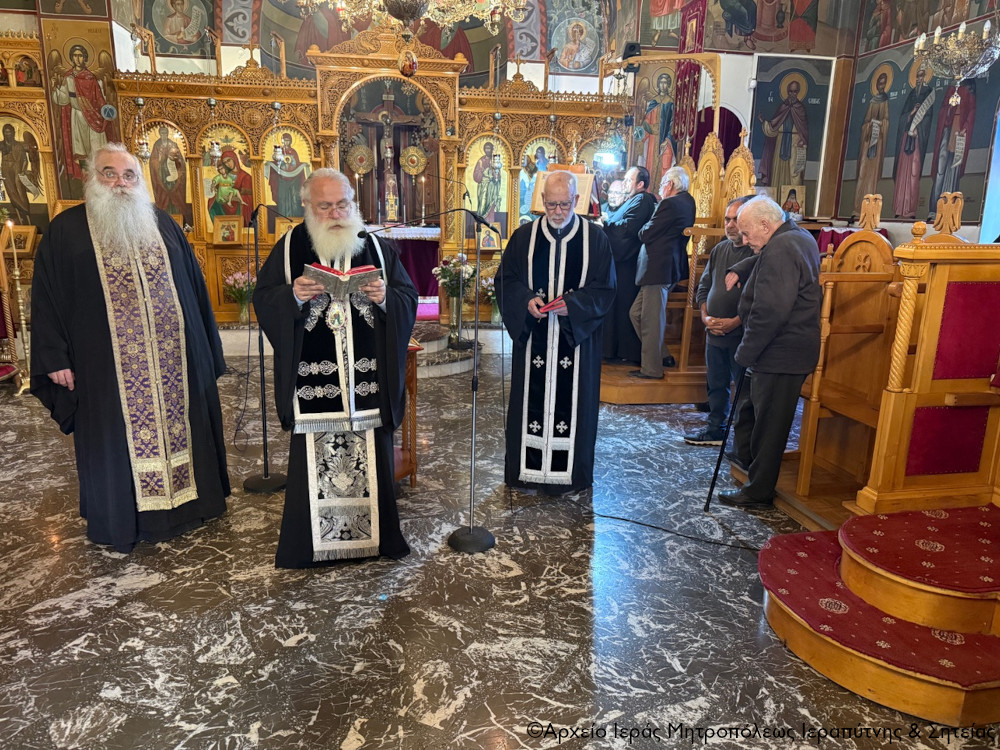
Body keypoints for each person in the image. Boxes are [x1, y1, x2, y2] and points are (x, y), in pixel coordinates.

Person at [29, 143, 230, 553]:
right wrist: (53, 356)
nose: (120, 183)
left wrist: (206, 347)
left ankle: (192, 506)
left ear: (140, 181)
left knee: (186, 427)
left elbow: (194, 289)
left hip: (176, 361)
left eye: (128, 175)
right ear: (91, 177)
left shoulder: (162, 223)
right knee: (114, 439)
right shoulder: (66, 231)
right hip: (104, 367)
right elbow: (46, 299)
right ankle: (126, 517)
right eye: (109, 173)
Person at [253, 168, 417, 567]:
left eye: (342, 204)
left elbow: (407, 297)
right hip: (314, 385)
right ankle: (311, 545)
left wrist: (385, 298)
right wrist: (293, 296)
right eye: (325, 206)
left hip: (367, 383)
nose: (336, 213)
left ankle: (377, 541)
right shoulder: (290, 247)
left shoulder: (374, 247)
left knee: (371, 456)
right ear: (307, 206)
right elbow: (264, 299)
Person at [496, 170, 616, 494]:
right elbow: (506, 280)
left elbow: (605, 289)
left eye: (565, 204)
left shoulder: (596, 240)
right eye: (551, 205)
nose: (558, 211)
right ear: (542, 201)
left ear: (576, 200)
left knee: (574, 407)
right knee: (528, 404)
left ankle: (572, 475)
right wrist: (526, 300)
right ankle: (526, 473)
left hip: (575, 347)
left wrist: (573, 306)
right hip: (534, 344)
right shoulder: (524, 238)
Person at [718, 196, 820, 508]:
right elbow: (765, 257)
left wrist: (745, 352)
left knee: (770, 427)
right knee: (757, 414)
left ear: (765, 224)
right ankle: (748, 465)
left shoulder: (782, 247)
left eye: (747, 233)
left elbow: (770, 311)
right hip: (782, 350)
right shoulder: (796, 236)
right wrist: (742, 267)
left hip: (779, 352)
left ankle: (758, 491)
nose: (744, 240)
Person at [683, 196, 754, 446]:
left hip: (740, 333)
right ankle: (715, 429)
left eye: (736, 220)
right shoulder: (719, 250)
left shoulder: (756, 253)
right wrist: (706, 317)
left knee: (744, 390)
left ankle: (743, 441)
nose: (730, 225)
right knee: (716, 383)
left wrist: (736, 321)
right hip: (713, 331)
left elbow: (758, 298)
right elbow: (704, 288)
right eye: (727, 219)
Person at [630, 166, 695, 379]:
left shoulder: (669, 203)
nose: (660, 187)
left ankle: (651, 369)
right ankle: (664, 355)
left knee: (651, 320)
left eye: (662, 183)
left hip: (658, 268)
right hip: (666, 267)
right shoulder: (688, 201)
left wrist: (644, 226)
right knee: (636, 314)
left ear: (670, 184)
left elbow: (645, 233)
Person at [603, 166, 656, 365]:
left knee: (624, 306)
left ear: (640, 184)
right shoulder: (633, 200)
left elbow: (628, 228)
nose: (625, 183)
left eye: (628, 180)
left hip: (628, 263)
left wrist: (606, 224)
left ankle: (626, 351)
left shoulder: (642, 200)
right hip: (620, 263)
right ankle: (613, 349)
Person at [51, 45, 111, 185]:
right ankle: (85, 182)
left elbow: (99, 98)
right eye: (75, 56)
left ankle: (99, 181)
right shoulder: (69, 77)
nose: (78, 59)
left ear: (85, 58)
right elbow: (64, 99)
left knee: (95, 150)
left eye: (81, 55)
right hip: (77, 116)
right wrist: (54, 88)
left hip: (93, 117)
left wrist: (104, 113)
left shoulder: (91, 78)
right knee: (81, 151)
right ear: (71, 58)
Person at [892, 63, 935, 219]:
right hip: (906, 138)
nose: (919, 78)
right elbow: (902, 117)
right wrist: (911, 113)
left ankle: (910, 210)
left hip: (916, 139)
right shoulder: (911, 94)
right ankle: (899, 208)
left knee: (914, 172)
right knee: (902, 172)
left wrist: (918, 129)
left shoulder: (928, 93)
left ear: (926, 77)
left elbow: (928, 117)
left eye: (922, 75)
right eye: (917, 75)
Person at [759, 77, 808, 189]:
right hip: (780, 141)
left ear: (798, 92)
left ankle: (793, 198)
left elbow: (804, 130)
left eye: (795, 91)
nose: (792, 94)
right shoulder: (783, 106)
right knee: (776, 169)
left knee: (794, 171)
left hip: (795, 142)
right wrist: (765, 123)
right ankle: (775, 196)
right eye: (790, 91)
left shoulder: (800, 108)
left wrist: (803, 140)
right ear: (787, 91)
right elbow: (774, 125)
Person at [854, 71, 890, 215]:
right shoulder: (872, 102)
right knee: (862, 172)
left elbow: (886, 121)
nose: (881, 86)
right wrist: (869, 125)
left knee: (872, 175)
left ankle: (871, 208)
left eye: (883, 83)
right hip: (868, 142)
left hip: (878, 143)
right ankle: (858, 206)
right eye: (879, 83)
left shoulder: (885, 101)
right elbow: (865, 123)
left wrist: (880, 124)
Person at [0, 123, 42, 225]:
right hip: (6, 169)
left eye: (10, 132)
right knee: (11, 193)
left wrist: (23, 171)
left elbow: (25, 160)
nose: (8, 134)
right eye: (6, 132)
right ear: (3, 133)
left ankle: (27, 213)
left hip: (17, 170)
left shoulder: (19, 145)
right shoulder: (2, 144)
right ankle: (20, 218)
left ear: (13, 133)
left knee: (21, 191)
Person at [265, 134, 309, 220]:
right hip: (282, 181)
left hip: (294, 181)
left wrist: (302, 165)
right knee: (282, 199)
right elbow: (276, 164)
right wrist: (271, 163)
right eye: (284, 140)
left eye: (288, 140)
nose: (286, 142)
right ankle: (282, 219)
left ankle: (295, 219)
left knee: (294, 199)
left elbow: (297, 164)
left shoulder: (293, 152)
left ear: (291, 141)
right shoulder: (279, 152)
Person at [474, 141, 502, 221]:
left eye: (489, 148)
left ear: (492, 149)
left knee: (491, 205)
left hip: (492, 187)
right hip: (483, 186)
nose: (488, 150)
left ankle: (490, 223)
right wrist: (481, 171)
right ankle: (481, 222)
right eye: (486, 148)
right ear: (484, 149)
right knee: (482, 204)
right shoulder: (481, 161)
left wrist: (495, 175)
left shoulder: (495, 160)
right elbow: (476, 176)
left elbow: (498, 176)